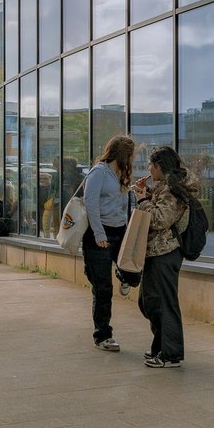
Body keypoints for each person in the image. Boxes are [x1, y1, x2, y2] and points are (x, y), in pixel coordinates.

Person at [135, 145, 198, 368]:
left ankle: (171, 354)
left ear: (160, 166)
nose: (148, 169)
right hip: (156, 251)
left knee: (163, 303)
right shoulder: (165, 187)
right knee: (149, 302)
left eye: (151, 165)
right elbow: (160, 208)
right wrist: (148, 194)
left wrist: (143, 201)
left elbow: (160, 219)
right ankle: (160, 347)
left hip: (166, 252)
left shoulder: (173, 189)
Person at [82, 135, 139, 354]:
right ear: (123, 154)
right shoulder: (99, 172)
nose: (133, 160)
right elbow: (91, 202)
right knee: (103, 289)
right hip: (99, 235)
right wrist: (98, 233)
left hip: (120, 231)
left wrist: (133, 188)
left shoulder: (120, 174)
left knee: (134, 272)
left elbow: (117, 201)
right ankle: (103, 335)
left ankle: (123, 277)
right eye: (132, 156)